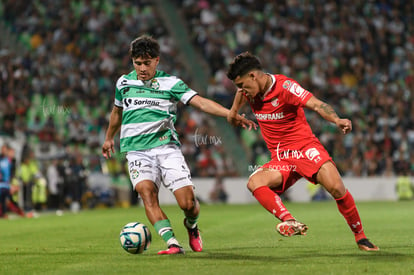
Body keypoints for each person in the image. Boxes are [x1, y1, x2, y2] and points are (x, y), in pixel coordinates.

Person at [102, 35, 255, 255]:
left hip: (166, 148)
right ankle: (172, 243)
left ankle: (192, 226)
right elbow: (117, 112)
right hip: (136, 151)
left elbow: (200, 102)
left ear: (157, 60)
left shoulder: (171, 83)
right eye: (138, 63)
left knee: (187, 203)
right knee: (147, 193)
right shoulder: (123, 83)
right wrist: (109, 138)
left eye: (147, 62)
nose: (142, 68)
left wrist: (231, 114)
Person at [226, 52, 379, 251]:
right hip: (282, 158)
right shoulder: (247, 92)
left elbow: (316, 104)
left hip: (305, 149)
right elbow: (235, 106)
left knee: (336, 188)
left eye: (242, 85)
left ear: (254, 76)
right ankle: (290, 221)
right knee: (254, 182)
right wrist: (233, 113)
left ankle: (361, 237)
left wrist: (337, 120)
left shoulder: (285, 87)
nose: (241, 90)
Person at [0, 144, 25, 218]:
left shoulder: (11, 161)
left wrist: (13, 185)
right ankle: (4, 213)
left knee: (8, 198)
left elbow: (12, 173)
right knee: (4, 198)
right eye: (2, 149)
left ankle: (17, 211)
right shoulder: (2, 160)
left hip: (7, 183)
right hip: (3, 183)